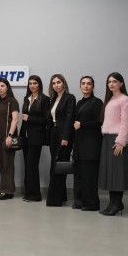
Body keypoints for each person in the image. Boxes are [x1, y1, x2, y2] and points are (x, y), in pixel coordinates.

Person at [98, 72, 128, 216]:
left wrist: (120, 142)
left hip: (116, 139)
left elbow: (126, 123)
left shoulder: (125, 100)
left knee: (117, 173)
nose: (111, 84)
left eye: (114, 81)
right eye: (109, 82)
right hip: (107, 139)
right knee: (110, 173)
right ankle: (113, 203)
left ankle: (117, 203)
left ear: (121, 83)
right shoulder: (110, 99)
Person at [72, 76, 103, 211]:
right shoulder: (80, 102)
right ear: (80, 86)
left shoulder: (97, 102)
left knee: (89, 176)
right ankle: (80, 202)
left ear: (93, 86)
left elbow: (99, 122)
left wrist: (82, 125)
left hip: (91, 145)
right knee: (79, 174)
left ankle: (92, 204)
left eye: (89, 84)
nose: (86, 86)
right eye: (83, 84)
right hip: (79, 144)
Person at [46, 74, 76, 207]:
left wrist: (65, 137)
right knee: (55, 164)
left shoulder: (69, 98)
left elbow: (69, 118)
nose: (56, 85)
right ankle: (61, 196)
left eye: (58, 82)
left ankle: (55, 199)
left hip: (64, 134)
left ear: (64, 83)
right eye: (54, 83)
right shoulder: (53, 99)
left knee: (59, 165)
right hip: (54, 133)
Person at [20, 75, 50, 202]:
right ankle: (28, 193)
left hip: (36, 137)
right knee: (27, 165)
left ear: (39, 85)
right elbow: (24, 120)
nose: (32, 86)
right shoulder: (27, 98)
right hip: (25, 137)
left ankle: (35, 195)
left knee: (32, 165)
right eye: (30, 83)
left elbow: (46, 120)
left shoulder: (44, 99)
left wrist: (30, 118)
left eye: (35, 83)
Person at [0, 78, 20, 200]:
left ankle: (6, 191)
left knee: (7, 165)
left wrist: (10, 135)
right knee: (1, 163)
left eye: (2, 86)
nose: (0, 88)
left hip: (8, 137)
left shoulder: (12, 101)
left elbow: (15, 119)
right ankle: (6, 189)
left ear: (7, 87)